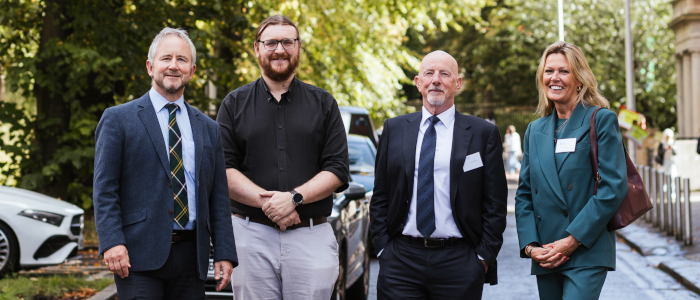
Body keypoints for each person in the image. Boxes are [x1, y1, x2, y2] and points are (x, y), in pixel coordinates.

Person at [93, 27, 237, 299]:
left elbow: (218, 196)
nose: (174, 66)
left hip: (191, 258)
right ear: (150, 67)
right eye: (166, 58)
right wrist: (112, 242)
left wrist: (225, 252)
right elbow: (105, 189)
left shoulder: (208, 128)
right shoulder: (118, 120)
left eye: (182, 60)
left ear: (192, 71)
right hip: (137, 257)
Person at [216, 15, 349, 300]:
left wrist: (294, 198)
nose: (279, 49)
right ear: (257, 48)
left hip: (311, 236)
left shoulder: (324, 103)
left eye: (287, 42)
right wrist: (272, 205)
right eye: (271, 42)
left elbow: (337, 168)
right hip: (251, 238)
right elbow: (223, 169)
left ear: (298, 47)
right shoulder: (233, 104)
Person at [369, 50, 508, 300]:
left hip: (459, 262)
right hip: (401, 260)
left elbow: (495, 202)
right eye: (429, 73)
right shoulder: (394, 129)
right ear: (418, 82)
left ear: (457, 83)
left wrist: (483, 258)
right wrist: (382, 249)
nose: (436, 79)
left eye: (444, 74)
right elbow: (381, 194)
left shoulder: (482, 133)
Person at [515, 41, 628, 300]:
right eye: (548, 71)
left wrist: (572, 240)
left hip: (586, 248)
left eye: (563, 71)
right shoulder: (535, 130)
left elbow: (613, 188)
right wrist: (531, 246)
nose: (554, 77)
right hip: (546, 250)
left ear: (579, 79)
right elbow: (524, 195)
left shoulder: (601, 120)